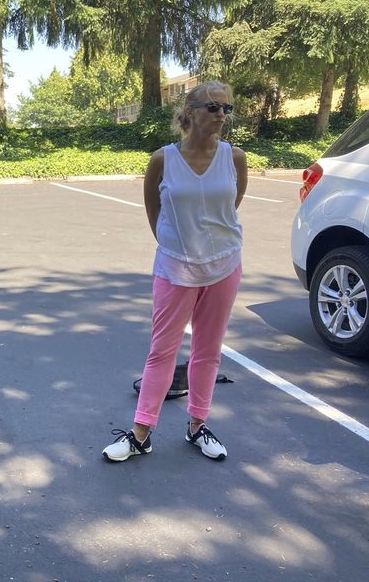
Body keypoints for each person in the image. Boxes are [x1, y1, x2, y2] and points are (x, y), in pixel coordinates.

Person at [102, 81, 247, 463]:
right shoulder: (162, 160)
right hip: (174, 268)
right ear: (190, 112)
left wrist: (209, 242)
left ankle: (198, 426)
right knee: (161, 352)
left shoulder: (235, 158)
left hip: (224, 266)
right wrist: (177, 244)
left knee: (207, 351)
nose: (221, 115)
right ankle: (140, 434)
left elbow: (231, 207)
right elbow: (155, 210)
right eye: (214, 107)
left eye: (226, 109)